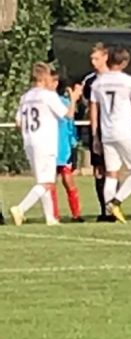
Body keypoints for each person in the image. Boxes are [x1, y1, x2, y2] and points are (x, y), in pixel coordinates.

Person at [10, 63, 79, 227]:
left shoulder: (25, 97)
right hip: (45, 142)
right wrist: (74, 99)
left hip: (29, 142)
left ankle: (50, 217)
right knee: (47, 182)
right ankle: (20, 208)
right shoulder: (48, 96)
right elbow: (68, 115)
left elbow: (18, 122)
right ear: (43, 77)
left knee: (42, 181)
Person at [89, 46, 131, 223]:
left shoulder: (98, 82)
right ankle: (116, 201)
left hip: (107, 131)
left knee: (111, 173)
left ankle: (109, 213)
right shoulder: (129, 81)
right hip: (124, 130)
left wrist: (95, 136)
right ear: (124, 63)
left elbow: (94, 108)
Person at [82, 42, 110, 220]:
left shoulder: (115, 78)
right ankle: (104, 210)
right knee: (98, 169)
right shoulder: (90, 81)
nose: (94, 62)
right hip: (97, 128)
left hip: (112, 128)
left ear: (105, 58)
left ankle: (113, 207)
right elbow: (87, 103)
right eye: (92, 59)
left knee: (112, 168)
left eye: (97, 58)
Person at [53, 74, 83, 222]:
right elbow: (69, 118)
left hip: (61, 147)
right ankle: (72, 214)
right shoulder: (63, 103)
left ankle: (62, 214)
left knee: (60, 181)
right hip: (61, 148)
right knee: (65, 181)